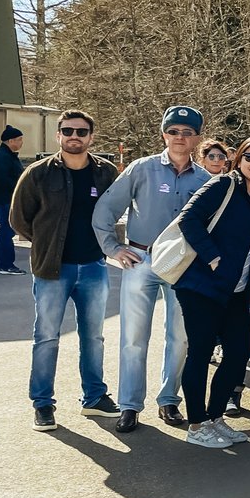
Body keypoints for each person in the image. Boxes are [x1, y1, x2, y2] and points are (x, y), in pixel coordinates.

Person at [92, 105, 208, 433]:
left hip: (183, 267)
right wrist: (113, 248)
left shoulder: (205, 179)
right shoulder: (141, 169)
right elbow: (105, 209)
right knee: (133, 338)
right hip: (140, 260)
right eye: (173, 131)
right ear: (164, 135)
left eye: (187, 133)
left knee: (181, 337)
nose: (180, 138)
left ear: (197, 138)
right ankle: (130, 406)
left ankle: (169, 400)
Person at [11, 110, 120, 431]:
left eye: (81, 132)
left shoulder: (106, 173)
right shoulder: (37, 174)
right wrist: (46, 243)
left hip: (94, 267)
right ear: (58, 135)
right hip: (51, 270)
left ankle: (94, 398)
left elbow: (115, 212)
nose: (75, 136)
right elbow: (19, 219)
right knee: (46, 337)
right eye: (68, 131)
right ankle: (43, 404)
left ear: (91, 137)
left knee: (94, 336)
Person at [173, 136, 250, 448]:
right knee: (200, 354)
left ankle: (215, 417)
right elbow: (187, 219)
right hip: (202, 288)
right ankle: (196, 424)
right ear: (239, 159)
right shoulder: (223, 185)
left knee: (237, 355)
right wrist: (213, 257)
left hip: (236, 293)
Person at [0, 125, 25, 274]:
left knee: (6, 230)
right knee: (8, 230)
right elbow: (0, 180)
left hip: (6, 199)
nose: (21, 143)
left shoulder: (6, 155)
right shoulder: (2, 156)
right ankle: (6, 264)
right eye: (19, 140)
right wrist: (18, 188)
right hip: (5, 199)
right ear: (11, 140)